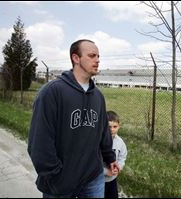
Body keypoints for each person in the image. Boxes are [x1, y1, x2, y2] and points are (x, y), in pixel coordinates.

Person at [27, 39, 120, 198]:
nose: (97, 60)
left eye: (98, 56)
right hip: (61, 180)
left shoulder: (98, 96)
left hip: (93, 177)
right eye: (91, 55)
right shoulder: (52, 92)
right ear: (75, 58)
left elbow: (103, 132)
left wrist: (110, 158)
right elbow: (39, 140)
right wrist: (54, 174)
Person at [104, 111, 127, 198]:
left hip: (112, 179)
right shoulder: (98, 142)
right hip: (98, 179)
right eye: (109, 127)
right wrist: (106, 172)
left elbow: (122, 157)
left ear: (119, 126)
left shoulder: (120, 143)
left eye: (115, 126)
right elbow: (93, 162)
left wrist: (119, 168)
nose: (112, 129)